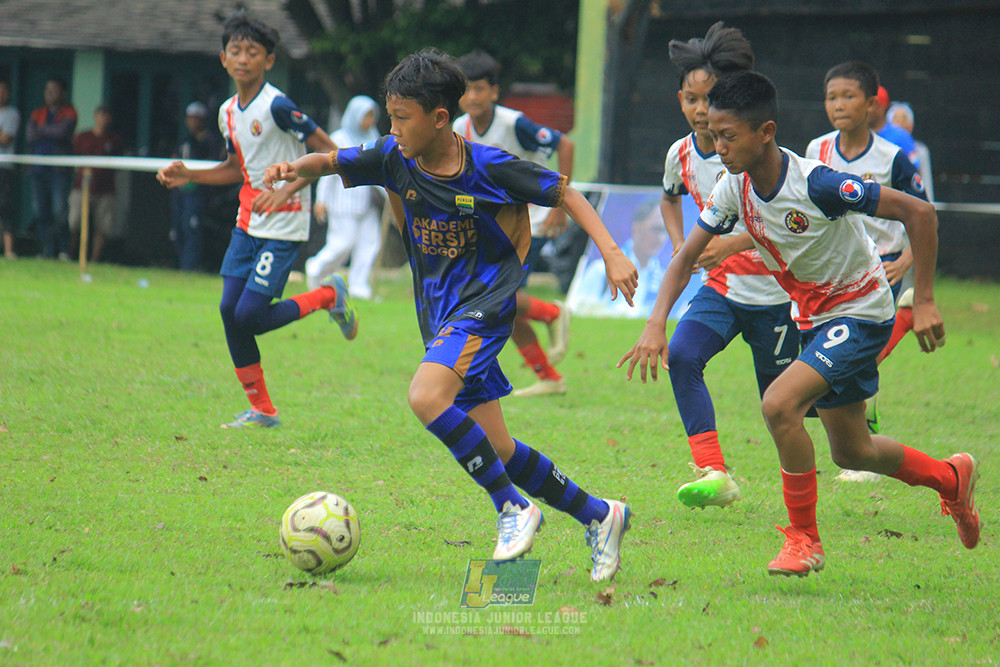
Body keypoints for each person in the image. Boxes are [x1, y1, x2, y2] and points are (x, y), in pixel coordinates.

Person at [263, 49, 637, 580]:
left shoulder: (488, 166)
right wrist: (289, 169)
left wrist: (613, 252)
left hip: (483, 306)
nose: (392, 128)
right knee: (500, 447)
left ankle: (511, 508)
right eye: (390, 117)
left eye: (401, 118)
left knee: (425, 396)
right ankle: (601, 516)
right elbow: (330, 160)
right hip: (439, 312)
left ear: (440, 118)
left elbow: (564, 192)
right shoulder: (395, 154)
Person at [620, 70, 979, 577]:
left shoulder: (818, 183)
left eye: (728, 136)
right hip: (813, 316)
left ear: (765, 132)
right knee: (853, 451)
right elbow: (683, 260)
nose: (717, 146)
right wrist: (657, 322)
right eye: (714, 135)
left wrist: (924, 300)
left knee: (779, 403)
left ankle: (803, 540)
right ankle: (951, 479)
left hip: (861, 310)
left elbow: (919, 212)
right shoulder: (733, 188)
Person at [156, 9, 346, 429]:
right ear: (223, 58)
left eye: (253, 52)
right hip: (248, 222)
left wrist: (285, 189)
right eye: (235, 51)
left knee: (249, 317)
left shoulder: (277, 105)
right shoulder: (227, 111)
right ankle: (262, 411)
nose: (243, 58)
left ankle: (328, 295)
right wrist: (191, 175)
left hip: (285, 222)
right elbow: (233, 168)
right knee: (229, 310)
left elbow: (329, 153)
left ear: (269, 61)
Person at [658, 22, 797, 509]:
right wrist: (683, 247)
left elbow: (784, 224)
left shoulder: (759, 153)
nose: (701, 110)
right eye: (693, 100)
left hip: (777, 294)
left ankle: (857, 422)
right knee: (682, 356)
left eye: (710, 99)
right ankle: (714, 471)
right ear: (681, 101)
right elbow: (669, 199)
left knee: (786, 405)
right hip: (721, 290)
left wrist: (734, 244)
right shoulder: (681, 154)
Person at [806, 62, 928, 468]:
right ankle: (860, 446)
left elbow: (923, 212)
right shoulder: (816, 151)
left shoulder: (893, 157)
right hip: (835, 271)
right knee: (844, 357)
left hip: (883, 267)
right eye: (831, 97)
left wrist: (907, 259)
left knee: (853, 358)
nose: (838, 105)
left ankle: (865, 446)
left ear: (872, 104)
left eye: (848, 96)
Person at [453, 50, 573, 397]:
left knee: (496, 298)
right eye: (466, 90)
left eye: (479, 89)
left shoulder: (514, 123)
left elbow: (565, 144)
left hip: (527, 222)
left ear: (494, 91)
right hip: (491, 228)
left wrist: (559, 206)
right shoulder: (460, 128)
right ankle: (548, 377)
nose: (472, 97)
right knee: (504, 308)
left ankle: (551, 312)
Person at [304, 95, 383, 298]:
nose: (370, 121)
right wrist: (320, 200)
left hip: (368, 203)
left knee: (369, 244)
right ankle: (316, 269)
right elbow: (328, 170)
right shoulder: (340, 138)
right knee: (342, 244)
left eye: (372, 116)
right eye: (366, 116)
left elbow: (380, 169)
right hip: (343, 202)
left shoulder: (373, 137)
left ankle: (359, 285)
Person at [567, 194, 668, 318]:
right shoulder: (599, 271)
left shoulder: (662, 278)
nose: (660, 239)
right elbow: (579, 311)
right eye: (656, 229)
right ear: (637, 228)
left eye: (665, 231)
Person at [170, 101, 226, 271]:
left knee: (192, 228)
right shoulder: (185, 141)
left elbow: (217, 165)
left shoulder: (211, 141)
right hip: (180, 192)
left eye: (196, 118)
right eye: (190, 118)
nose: (192, 122)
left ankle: (189, 269)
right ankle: (182, 265)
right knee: (178, 230)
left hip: (198, 192)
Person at [26, 77, 77, 259]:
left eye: (54, 89)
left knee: (59, 211)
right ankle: (47, 251)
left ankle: (63, 250)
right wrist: (49, 130)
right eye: (47, 89)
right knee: (41, 211)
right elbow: (30, 136)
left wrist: (42, 130)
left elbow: (63, 133)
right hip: (39, 170)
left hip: (59, 172)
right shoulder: (37, 112)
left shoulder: (69, 112)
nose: (49, 93)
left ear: (63, 92)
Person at [69, 105, 125, 264]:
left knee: (103, 226)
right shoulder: (82, 137)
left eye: (107, 116)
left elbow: (118, 165)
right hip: (82, 187)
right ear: (95, 116)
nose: (103, 119)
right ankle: (71, 255)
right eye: (101, 115)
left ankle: (94, 259)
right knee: (75, 223)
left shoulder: (114, 140)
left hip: (105, 189)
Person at [888, 101, 934, 202]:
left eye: (903, 119)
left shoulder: (920, 151)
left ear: (910, 124)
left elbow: (925, 180)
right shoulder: (882, 149)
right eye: (896, 119)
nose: (899, 124)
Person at [870, 85, 920, 168]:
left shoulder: (901, 136)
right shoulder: (858, 135)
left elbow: (914, 171)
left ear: (881, 108)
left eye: (871, 105)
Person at [0, 78, 20, 259]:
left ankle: (8, 250)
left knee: (4, 207)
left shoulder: (12, 114)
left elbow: (5, 139)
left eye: (3, 90)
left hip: (4, 167)